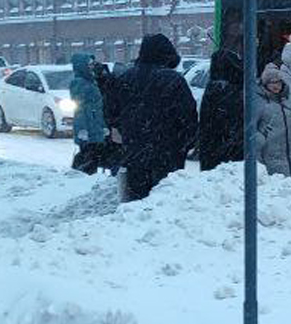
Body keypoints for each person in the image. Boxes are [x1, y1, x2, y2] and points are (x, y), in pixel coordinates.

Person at [112, 33, 198, 202]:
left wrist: (127, 134)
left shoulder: (125, 78)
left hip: (135, 152)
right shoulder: (174, 80)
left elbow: (112, 112)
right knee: (165, 200)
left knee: (137, 202)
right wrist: (184, 144)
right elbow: (188, 117)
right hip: (168, 153)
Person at [253, 63, 291, 182]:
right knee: (280, 191)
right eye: (271, 82)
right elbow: (254, 132)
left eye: (278, 81)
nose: (275, 85)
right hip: (272, 160)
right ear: (265, 84)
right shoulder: (260, 103)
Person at [194, 49, 244, 171]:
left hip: (211, 148)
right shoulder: (234, 89)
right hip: (231, 148)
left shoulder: (213, 87)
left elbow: (206, 121)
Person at [68, 53, 115, 175]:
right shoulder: (80, 83)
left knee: (93, 154)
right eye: (89, 64)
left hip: (95, 124)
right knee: (88, 155)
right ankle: (80, 177)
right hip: (89, 125)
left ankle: (84, 175)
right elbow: (79, 109)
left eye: (92, 64)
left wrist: (103, 126)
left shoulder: (90, 81)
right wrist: (82, 129)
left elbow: (97, 107)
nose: (91, 67)